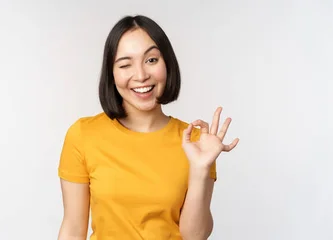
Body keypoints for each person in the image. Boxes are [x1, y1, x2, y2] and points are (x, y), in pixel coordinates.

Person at [57, 14, 239, 240]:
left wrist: (201, 168)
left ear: (167, 64)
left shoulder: (196, 143)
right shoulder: (83, 135)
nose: (141, 75)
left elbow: (195, 236)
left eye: (151, 60)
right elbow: (73, 228)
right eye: (125, 64)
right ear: (111, 74)